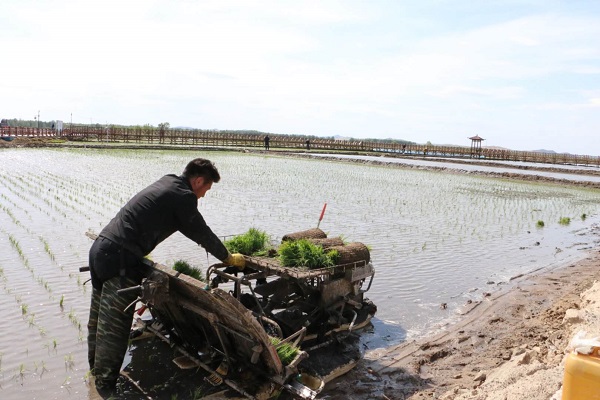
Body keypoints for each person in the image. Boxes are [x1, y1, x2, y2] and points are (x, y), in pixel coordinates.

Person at [87, 158, 245, 394]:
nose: (202, 196)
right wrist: (227, 257)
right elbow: (199, 230)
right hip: (120, 261)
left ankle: (93, 371)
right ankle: (105, 389)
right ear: (199, 180)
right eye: (206, 189)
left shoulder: (168, 181)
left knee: (98, 319)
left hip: (101, 250)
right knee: (114, 330)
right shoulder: (183, 196)